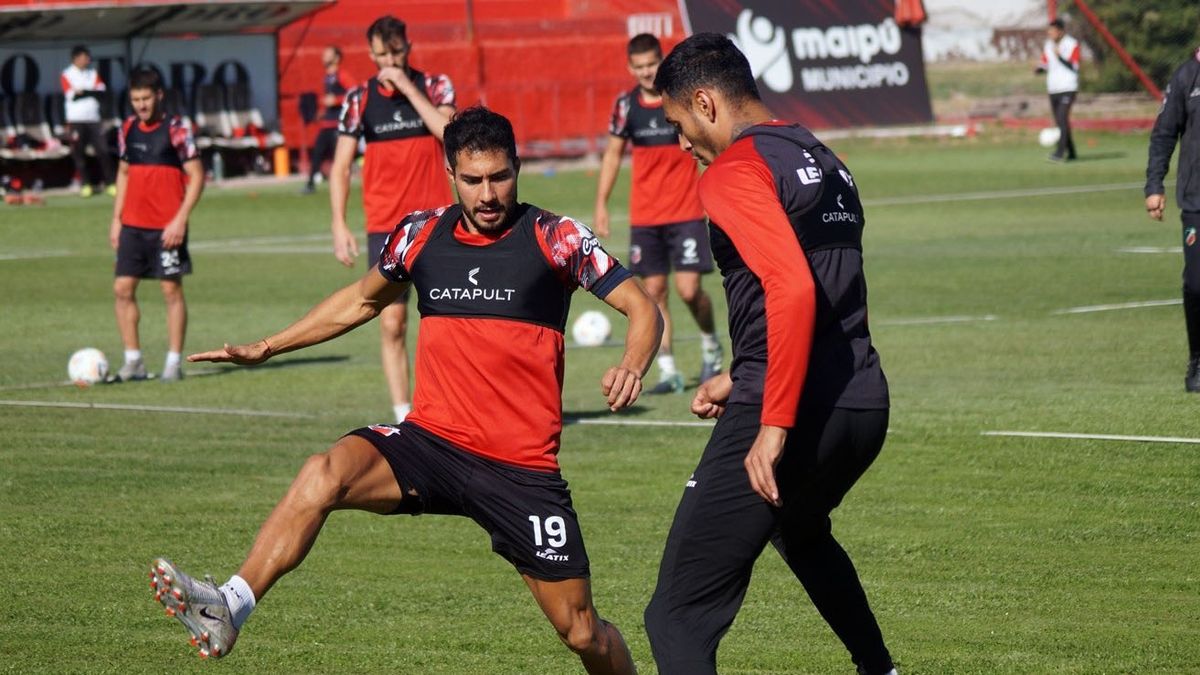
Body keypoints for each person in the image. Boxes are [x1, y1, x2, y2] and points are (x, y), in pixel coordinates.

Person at [150, 106, 660, 673]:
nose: (488, 194)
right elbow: (361, 301)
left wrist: (632, 364)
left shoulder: (555, 238)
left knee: (582, 632)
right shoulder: (421, 235)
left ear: (517, 168)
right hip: (430, 445)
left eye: (500, 177)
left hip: (520, 470)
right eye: (473, 180)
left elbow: (642, 307)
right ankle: (229, 605)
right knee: (323, 472)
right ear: (450, 173)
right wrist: (268, 346)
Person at [642, 34, 897, 675]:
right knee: (800, 531)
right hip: (861, 402)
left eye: (677, 123)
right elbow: (829, 292)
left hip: (791, 409)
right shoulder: (823, 157)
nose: (680, 143)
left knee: (676, 616)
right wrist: (740, 371)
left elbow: (793, 287)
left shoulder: (735, 170)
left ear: (705, 103)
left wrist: (773, 422)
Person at [331, 15, 456, 423]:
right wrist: (339, 223)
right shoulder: (358, 99)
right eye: (382, 55)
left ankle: (451, 407)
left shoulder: (435, 86)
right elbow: (341, 166)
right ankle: (405, 416)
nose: (389, 62)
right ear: (370, 55)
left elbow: (449, 133)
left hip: (438, 222)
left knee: (449, 323)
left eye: (396, 53)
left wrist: (407, 88)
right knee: (392, 323)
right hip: (386, 226)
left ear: (408, 47)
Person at [594, 33, 722, 394]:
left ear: (661, 60)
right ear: (630, 67)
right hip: (646, 217)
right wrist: (601, 203)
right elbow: (613, 154)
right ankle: (668, 371)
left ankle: (711, 345)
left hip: (686, 211)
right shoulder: (626, 106)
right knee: (654, 291)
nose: (647, 71)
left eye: (652, 63)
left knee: (689, 289)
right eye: (640, 66)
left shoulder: (678, 99)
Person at [109, 67, 204, 382]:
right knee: (122, 289)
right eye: (136, 99)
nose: (141, 105)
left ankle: (173, 362)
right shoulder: (127, 128)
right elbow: (123, 173)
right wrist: (116, 219)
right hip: (132, 226)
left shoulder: (177, 130)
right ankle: (133, 360)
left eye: (146, 98)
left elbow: (197, 176)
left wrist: (180, 219)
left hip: (167, 227)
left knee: (170, 290)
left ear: (159, 95)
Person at [1145, 46, 1200, 393]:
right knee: (1196, 284)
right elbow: (1164, 133)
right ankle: (1198, 359)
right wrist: (1154, 184)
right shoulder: (1186, 76)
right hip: (1197, 199)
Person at [61, 45, 115, 197]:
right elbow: (71, 94)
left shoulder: (93, 73)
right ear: (76, 58)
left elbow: (101, 89)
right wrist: (88, 92)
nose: (87, 60)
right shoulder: (67, 74)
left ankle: (110, 183)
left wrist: (85, 92)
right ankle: (85, 184)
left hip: (93, 119)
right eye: (84, 57)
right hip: (76, 120)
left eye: (88, 57)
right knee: (79, 153)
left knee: (103, 150)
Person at [301, 46, 353, 194]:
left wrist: (336, 100)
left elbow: (354, 93)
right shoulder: (327, 77)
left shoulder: (342, 75)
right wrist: (322, 112)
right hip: (326, 124)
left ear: (336, 58)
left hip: (338, 124)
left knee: (339, 158)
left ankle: (341, 184)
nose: (323, 56)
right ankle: (310, 184)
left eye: (328, 54)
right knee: (317, 153)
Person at [1035, 18, 1081, 162]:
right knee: (1060, 121)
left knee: (1062, 118)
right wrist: (1039, 69)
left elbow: (1074, 66)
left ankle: (1060, 153)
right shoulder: (1048, 45)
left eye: (1053, 31)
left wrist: (1059, 56)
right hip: (1053, 88)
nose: (1050, 34)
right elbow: (1045, 63)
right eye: (1049, 31)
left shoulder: (1071, 44)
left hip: (1068, 87)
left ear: (1060, 31)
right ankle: (1071, 152)